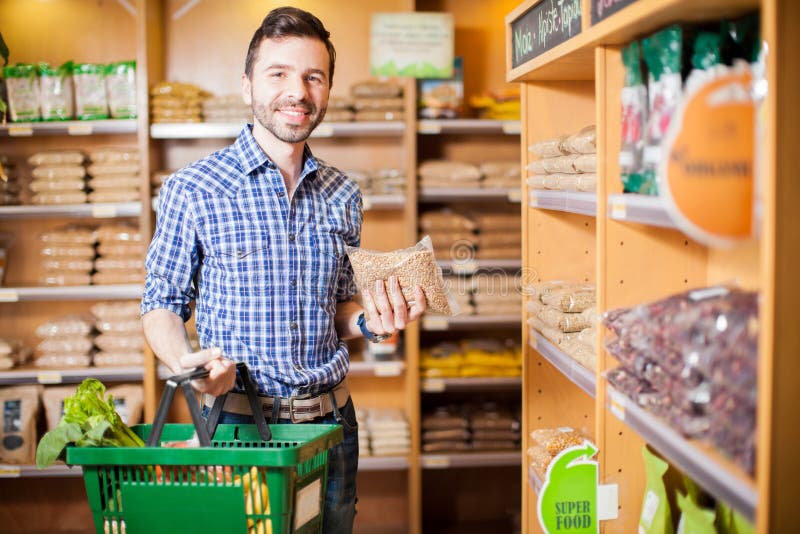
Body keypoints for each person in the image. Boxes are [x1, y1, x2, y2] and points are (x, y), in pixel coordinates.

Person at [141, 6, 427, 533]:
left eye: (312, 77)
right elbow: (160, 302)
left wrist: (371, 323)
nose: (297, 91)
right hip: (238, 426)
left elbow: (340, 309)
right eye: (279, 74)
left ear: (326, 89)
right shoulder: (195, 188)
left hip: (331, 425)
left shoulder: (343, 193)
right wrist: (192, 365)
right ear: (248, 86)